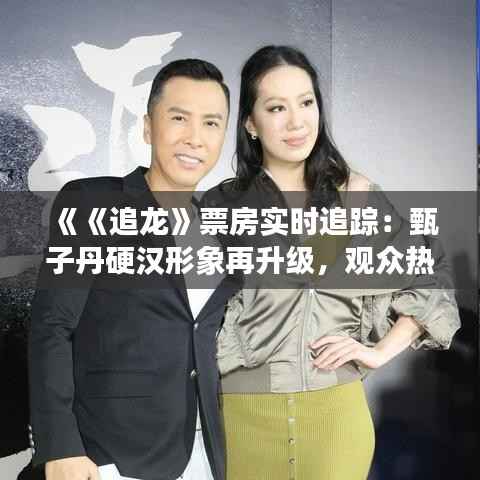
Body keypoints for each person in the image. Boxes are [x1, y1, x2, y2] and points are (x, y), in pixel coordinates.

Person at [206, 46, 461, 480]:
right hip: (242, 420)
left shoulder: (356, 194)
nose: (296, 122)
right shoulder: (222, 204)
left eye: (306, 103)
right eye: (276, 108)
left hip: (336, 422)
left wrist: (379, 351)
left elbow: (429, 279)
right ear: (250, 123)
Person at [29, 59, 237, 480]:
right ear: (147, 127)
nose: (195, 137)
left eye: (211, 123)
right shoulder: (93, 202)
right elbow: (52, 326)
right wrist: (60, 446)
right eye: (178, 118)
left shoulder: (219, 227)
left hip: (202, 453)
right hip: (110, 457)